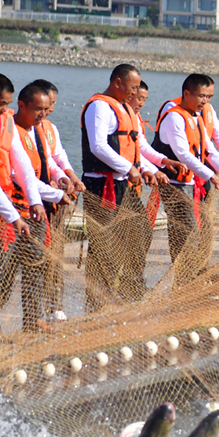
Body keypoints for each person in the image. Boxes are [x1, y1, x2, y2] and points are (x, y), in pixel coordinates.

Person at [0, 74, 52, 337]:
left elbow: (22, 166)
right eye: (1, 103)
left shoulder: (5, 123)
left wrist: (35, 200)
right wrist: (12, 215)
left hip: (3, 211)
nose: (6, 109)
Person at [80, 63, 161, 310]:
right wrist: (129, 168)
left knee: (141, 231)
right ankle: (97, 300)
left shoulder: (126, 108)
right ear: (117, 83)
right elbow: (98, 146)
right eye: (133, 87)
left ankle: (130, 287)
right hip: (101, 184)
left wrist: (146, 168)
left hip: (123, 183)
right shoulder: (100, 107)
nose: (136, 93)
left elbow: (137, 147)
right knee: (104, 242)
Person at [153, 73, 219, 269]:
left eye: (209, 97)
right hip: (173, 184)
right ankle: (185, 278)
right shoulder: (174, 117)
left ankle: (187, 276)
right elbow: (184, 155)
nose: (206, 101)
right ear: (187, 93)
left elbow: (209, 150)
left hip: (189, 182)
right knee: (188, 233)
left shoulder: (197, 118)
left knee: (190, 233)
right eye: (202, 96)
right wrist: (211, 175)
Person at [8, 82, 71, 332]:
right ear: (20, 105)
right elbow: (19, 175)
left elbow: (47, 162)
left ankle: (33, 320)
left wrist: (63, 178)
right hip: (12, 211)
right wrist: (55, 195)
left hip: (35, 210)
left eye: (47, 108)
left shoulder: (38, 129)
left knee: (36, 267)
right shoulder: (10, 131)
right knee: (4, 272)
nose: (43, 114)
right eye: (38, 109)